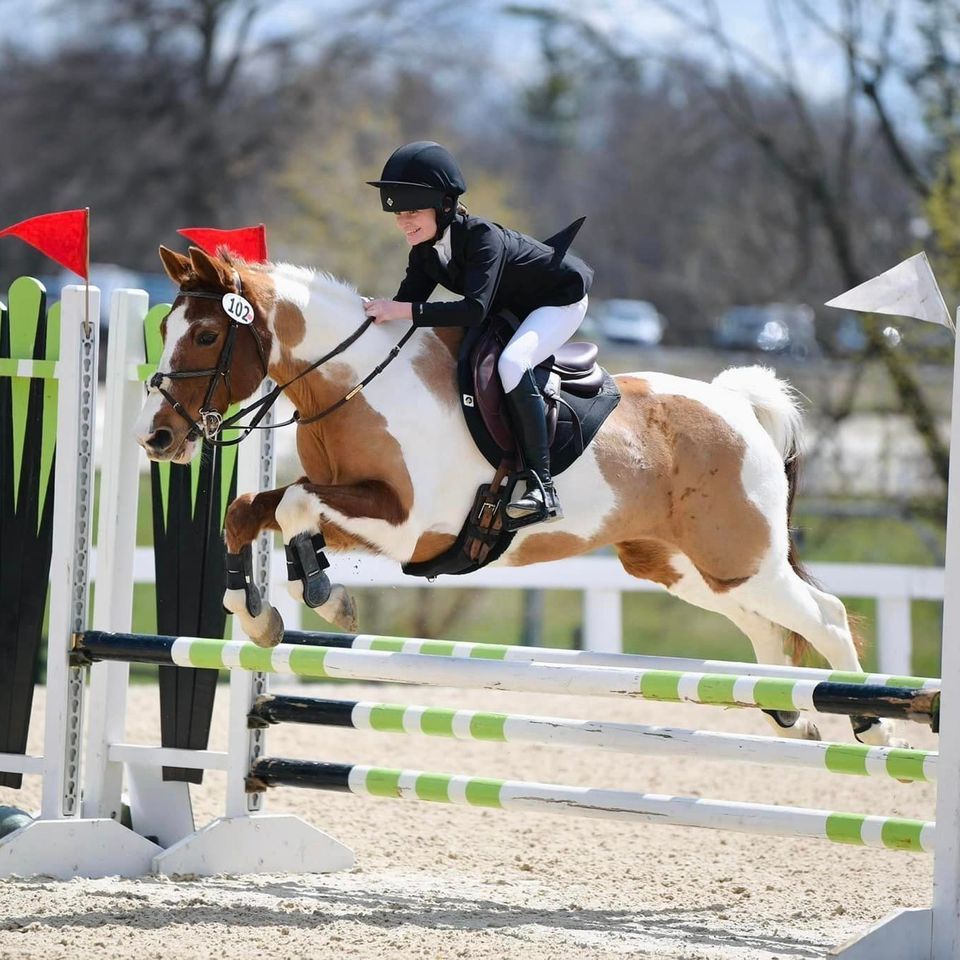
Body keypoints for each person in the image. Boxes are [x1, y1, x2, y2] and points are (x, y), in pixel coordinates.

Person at [364, 140, 593, 527]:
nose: (404, 222)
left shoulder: (483, 237)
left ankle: (542, 486)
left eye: (413, 211)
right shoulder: (424, 251)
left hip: (558, 300)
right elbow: (406, 309)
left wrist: (399, 309)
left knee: (512, 363)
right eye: (400, 213)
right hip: (513, 304)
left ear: (446, 206)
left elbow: (472, 310)